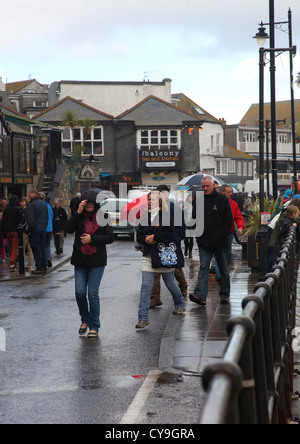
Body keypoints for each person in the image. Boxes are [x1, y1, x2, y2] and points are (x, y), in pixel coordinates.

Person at [65, 190, 114, 339]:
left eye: (92, 202)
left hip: (97, 261)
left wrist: (92, 239)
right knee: (79, 292)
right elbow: (68, 229)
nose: (89, 205)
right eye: (86, 202)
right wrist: (77, 212)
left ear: (97, 204)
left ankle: (94, 325)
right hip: (80, 260)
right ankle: (84, 319)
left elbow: (110, 237)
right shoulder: (79, 217)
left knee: (92, 294)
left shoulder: (104, 216)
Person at [135, 191, 186, 329]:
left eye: (153, 200)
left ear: (159, 201)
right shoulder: (145, 216)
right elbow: (139, 233)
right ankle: (143, 318)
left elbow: (169, 234)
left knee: (170, 284)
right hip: (148, 256)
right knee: (146, 286)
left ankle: (180, 303)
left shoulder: (165, 215)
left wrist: (155, 237)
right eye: (149, 199)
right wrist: (145, 239)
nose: (150, 202)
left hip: (163, 256)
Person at [189, 176, 233, 306]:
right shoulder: (199, 201)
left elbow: (228, 219)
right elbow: (194, 220)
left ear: (213, 186)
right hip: (204, 242)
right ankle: (200, 294)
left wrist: (223, 235)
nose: (205, 189)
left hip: (220, 242)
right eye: (203, 187)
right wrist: (197, 236)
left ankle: (225, 294)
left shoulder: (222, 199)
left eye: (207, 186)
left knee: (224, 268)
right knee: (203, 267)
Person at [215, 184, 245, 284]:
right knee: (218, 254)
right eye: (229, 192)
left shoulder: (233, 204)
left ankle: (223, 274)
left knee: (226, 255)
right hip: (217, 233)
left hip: (228, 233)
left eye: (231, 192)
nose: (231, 194)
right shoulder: (215, 202)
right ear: (222, 192)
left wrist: (240, 227)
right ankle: (220, 276)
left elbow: (238, 217)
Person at [26, 188, 49, 274]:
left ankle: (39, 267)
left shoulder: (31, 205)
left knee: (36, 249)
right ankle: (44, 267)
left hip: (35, 230)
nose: (29, 195)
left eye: (30, 194)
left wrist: (30, 230)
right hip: (43, 229)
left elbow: (30, 220)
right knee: (42, 248)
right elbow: (46, 217)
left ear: (35, 194)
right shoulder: (43, 204)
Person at [1, 195, 21, 272]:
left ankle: (12, 262)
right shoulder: (18, 209)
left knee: (10, 247)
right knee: (14, 247)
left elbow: (3, 221)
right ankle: (12, 263)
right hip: (15, 230)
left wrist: (3, 231)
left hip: (8, 231)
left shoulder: (6, 209)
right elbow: (20, 220)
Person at [20, 197, 34, 272]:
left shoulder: (24, 211)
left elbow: (23, 221)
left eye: (23, 202)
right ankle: (30, 265)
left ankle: (23, 265)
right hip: (30, 231)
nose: (21, 203)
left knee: (22, 248)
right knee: (30, 250)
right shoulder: (30, 210)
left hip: (25, 231)